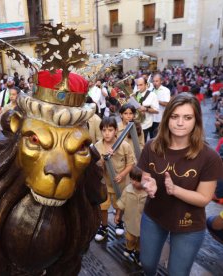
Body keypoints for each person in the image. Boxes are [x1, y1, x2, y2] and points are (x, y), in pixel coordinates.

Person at [138, 92, 223, 276]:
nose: (180, 123)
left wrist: (175, 190)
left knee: (178, 273)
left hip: (189, 224)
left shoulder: (210, 157)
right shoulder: (152, 146)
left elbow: (203, 199)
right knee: (146, 263)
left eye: (187, 117)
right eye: (175, 116)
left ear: (196, 121)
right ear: (167, 118)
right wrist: (147, 184)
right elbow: (145, 178)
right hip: (154, 216)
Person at [94, 117, 135, 241]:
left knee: (119, 205)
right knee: (103, 207)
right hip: (104, 183)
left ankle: (119, 221)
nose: (107, 133)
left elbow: (131, 163)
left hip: (120, 184)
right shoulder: (97, 146)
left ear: (116, 131)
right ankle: (104, 226)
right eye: (104, 130)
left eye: (110, 130)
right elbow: (96, 165)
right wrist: (103, 158)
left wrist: (122, 174)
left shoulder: (124, 145)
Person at [115, 166, 147, 265]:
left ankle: (138, 253)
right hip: (130, 220)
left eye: (136, 181)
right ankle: (129, 247)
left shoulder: (148, 192)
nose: (133, 182)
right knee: (130, 238)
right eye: (132, 179)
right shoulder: (128, 190)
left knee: (141, 240)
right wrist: (118, 215)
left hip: (143, 223)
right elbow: (122, 202)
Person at [135, 77, 159, 141]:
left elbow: (156, 111)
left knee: (142, 143)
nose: (138, 87)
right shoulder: (136, 93)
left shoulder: (152, 95)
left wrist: (146, 109)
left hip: (145, 125)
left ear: (146, 85)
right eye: (137, 85)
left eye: (141, 85)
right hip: (136, 123)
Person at [151, 74, 170, 139]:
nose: (154, 83)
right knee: (151, 138)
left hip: (159, 119)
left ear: (161, 81)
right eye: (153, 81)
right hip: (150, 118)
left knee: (158, 138)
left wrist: (156, 100)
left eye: (156, 81)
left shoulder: (165, 90)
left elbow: (167, 104)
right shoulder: (151, 90)